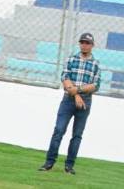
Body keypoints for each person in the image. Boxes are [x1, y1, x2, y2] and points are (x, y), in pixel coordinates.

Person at [40, 32, 102, 174]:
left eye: (87, 43)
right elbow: (65, 78)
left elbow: (96, 85)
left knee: (77, 135)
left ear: (92, 45)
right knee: (59, 130)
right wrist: (76, 96)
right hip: (68, 99)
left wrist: (77, 90)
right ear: (79, 44)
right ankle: (49, 163)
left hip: (85, 101)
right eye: (82, 42)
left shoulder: (95, 64)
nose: (84, 45)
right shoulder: (71, 59)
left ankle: (69, 166)